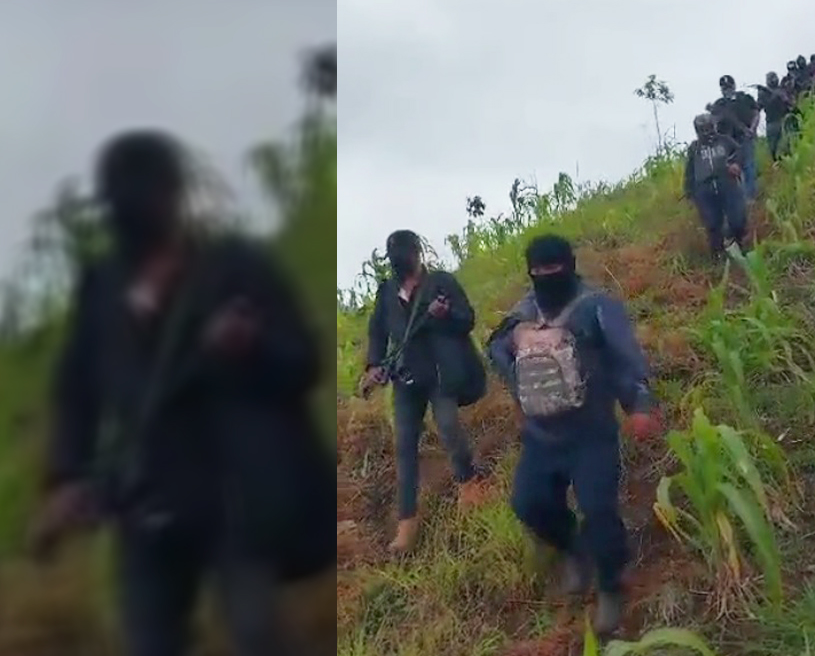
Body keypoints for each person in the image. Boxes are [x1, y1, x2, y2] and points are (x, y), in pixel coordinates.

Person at [27, 130, 333, 656]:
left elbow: (302, 362)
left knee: (257, 635)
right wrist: (66, 477)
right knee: (148, 641)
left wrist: (249, 347)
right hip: (144, 500)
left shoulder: (234, 269)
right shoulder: (102, 287)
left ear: (173, 195)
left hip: (232, 497)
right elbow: (77, 390)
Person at [485, 234, 660, 636]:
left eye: (553, 268)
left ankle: (612, 585)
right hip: (540, 435)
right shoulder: (523, 311)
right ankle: (574, 551)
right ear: (529, 271)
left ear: (570, 264)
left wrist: (639, 405)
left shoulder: (596, 307)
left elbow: (626, 358)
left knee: (599, 510)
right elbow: (494, 348)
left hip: (591, 432)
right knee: (529, 504)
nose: (546, 276)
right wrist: (516, 344)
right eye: (538, 270)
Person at [360, 229, 489, 554]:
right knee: (404, 447)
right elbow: (377, 330)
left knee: (448, 428)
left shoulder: (441, 282)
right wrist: (373, 365)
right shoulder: (387, 291)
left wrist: (444, 316)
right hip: (405, 378)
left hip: (439, 374)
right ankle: (407, 522)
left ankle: (469, 485)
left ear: (418, 252)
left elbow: (467, 319)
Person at [683, 113, 747, 260]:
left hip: (727, 183)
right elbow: (689, 171)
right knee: (712, 224)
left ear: (713, 126)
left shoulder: (725, 141)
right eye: (702, 129)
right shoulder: (694, 148)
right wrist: (689, 192)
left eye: (708, 128)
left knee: (737, 218)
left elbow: (740, 152)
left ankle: (737, 244)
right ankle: (718, 256)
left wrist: (736, 164)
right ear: (697, 131)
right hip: (704, 189)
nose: (706, 132)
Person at [709, 75, 761, 201]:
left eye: (729, 87)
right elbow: (713, 122)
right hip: (727, 142)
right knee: (732, 170)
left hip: (745, 137)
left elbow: (756, 113)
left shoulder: (745, 98)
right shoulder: (719, 104)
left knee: (748, 166)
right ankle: (739, 197)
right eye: (724, 88)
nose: (727, 90)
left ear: (734, 86)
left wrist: (752, 129)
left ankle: (750, 197)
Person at [757, 72, 795, 162]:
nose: (774, 79)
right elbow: (759, 106)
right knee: (773, 147)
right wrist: (774, 97)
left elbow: (791, 104)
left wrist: (785, 99)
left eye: (774, 77)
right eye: (771, 78)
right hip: (772, 121)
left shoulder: (782, 90)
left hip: (784, 120)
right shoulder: (763, 93)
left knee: (788, 144)